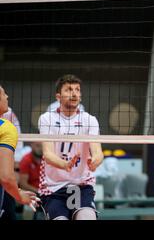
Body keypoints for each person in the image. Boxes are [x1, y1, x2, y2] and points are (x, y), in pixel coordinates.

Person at [38, 74, 104, 220]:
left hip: (81, 185)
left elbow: (98, 152)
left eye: (77, 89)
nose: (74, 93)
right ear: (58, 97)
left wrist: (95, 161)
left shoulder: (89, 120)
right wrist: (65, 164)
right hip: (54, 188)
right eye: (68, 89)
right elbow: (48, 154)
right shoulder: (47, 119)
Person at [0, 84, 40, 219]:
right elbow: (5, 177)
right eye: (3, 94)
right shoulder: (6, 128)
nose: (7, 96)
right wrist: (19, 194)